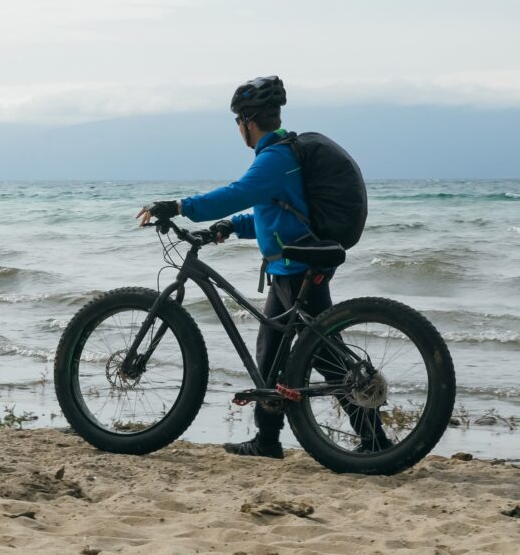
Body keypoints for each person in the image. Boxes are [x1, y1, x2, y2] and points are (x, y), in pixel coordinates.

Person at [137, 75, 387, 459]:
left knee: (323, 356)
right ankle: (268, 439)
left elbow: (239, 193)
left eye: (238, 122)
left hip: (297, 268)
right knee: (271, 356)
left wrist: (180, 206)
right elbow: (273, 215)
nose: (240, 129)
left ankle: (375, 441)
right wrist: (229, 228)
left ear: (246, 122)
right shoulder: (282, 158)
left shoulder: (276, 157)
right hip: (289, 267)